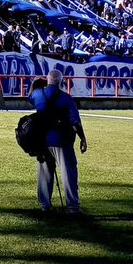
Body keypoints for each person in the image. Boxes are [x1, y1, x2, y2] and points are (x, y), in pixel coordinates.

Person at [29, 69, 88, 214]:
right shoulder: (66, 98)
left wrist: (34, 83)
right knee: (68, 173)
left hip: (43, 140)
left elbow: (29, 97)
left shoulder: (38, 95)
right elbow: (75, 122)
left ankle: (45, 205)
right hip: (62, 140)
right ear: (61, 81)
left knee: (44, 174)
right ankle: (73, 207)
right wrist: (82, 137)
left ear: (47, 80)